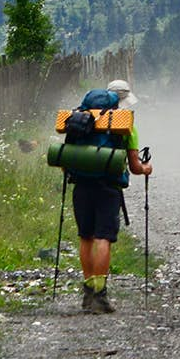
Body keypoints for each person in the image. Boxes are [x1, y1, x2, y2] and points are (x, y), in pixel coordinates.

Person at [65, 84, 152, 315]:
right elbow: (134, 167)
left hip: (81, 186)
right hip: (109, 188)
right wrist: (146, 169)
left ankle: (87, 291)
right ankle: (100, 294)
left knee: (86, 237)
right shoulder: (124, 126)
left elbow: (67, 157)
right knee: (104, 238)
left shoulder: (78, 122)